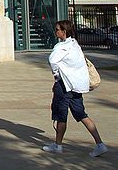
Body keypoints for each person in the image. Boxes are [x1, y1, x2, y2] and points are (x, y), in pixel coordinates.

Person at [42, 19, 108, 158]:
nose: (56, 32)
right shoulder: (75, 44)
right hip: (77, 87)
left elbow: (52, 60)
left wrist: (56, 74)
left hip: (64, 86)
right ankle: (99, 144)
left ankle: (58, 145)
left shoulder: (61, 47)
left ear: (64, 31)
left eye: (57, 29)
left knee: (61, 116)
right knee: (82, 115)